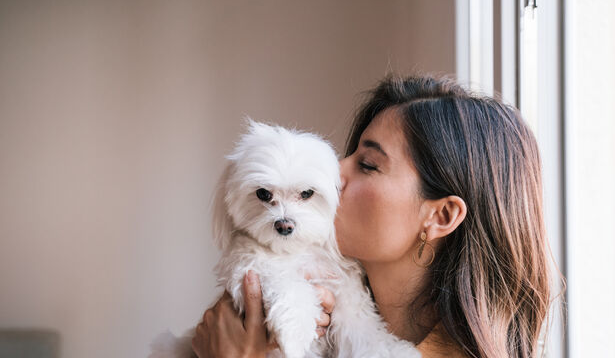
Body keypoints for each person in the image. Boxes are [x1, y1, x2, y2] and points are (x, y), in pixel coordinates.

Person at [191, 75, 560, 358]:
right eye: (348, 154)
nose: (334, 173)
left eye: (367, 165)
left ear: (441, 215)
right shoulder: (316, 306)